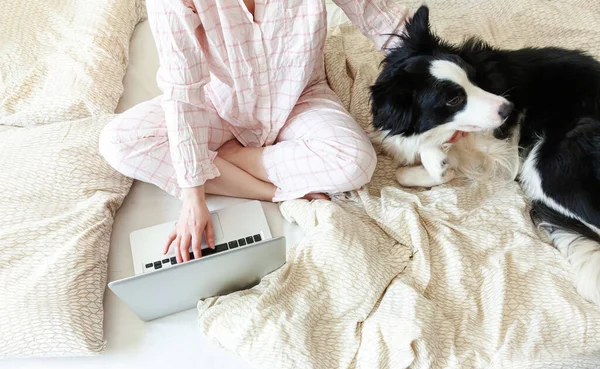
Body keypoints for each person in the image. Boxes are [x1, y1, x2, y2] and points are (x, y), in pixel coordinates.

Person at [99, 0, 408, 263]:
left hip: (299, 96)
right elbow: (183, 92)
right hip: (217, 103)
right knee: (119, 142)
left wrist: (451, 100)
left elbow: (382, 18)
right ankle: (266, 190)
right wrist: (193, 198)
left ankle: (233, 156)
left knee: (356, 163)